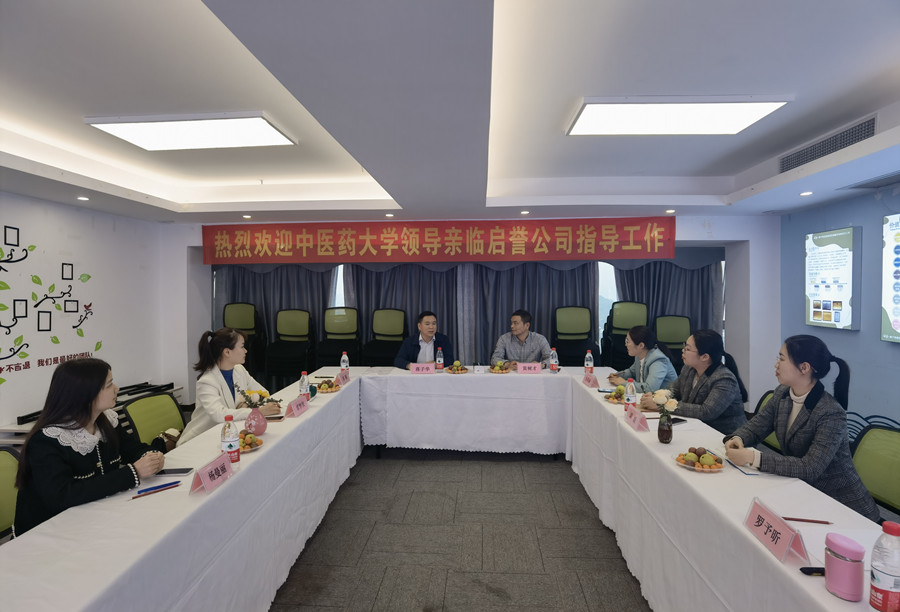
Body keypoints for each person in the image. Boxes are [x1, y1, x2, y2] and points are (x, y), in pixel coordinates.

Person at [724, 335, 880, 522]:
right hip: (803, 492)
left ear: (804, 368)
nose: (776, 365)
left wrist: (753, 457)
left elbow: (810, 467)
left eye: (782, 359)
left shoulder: (830, 412)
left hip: (842, 507)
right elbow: (757, 426)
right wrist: (738, 438)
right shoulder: (782, 393)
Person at [14, 358, 166, 536]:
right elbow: (62, 496)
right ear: (86, 394)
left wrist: (152, 456)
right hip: (49, 532)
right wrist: (133, 472)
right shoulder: (47, 441)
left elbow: (132, 449)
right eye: (109, 385)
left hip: (94, 516)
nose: (116, 388)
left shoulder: (105, 420)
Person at [178, 328, 280, 446]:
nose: (246, 351)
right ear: (227, 352)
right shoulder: (207, 381)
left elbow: (263, 393)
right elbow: (219, 414)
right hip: (199, 440)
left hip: (228, 434)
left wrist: (247, 404)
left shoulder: (239, 370)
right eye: (242, 347)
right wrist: (257, 411)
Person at [641, 329, 747, 434]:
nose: (683, 350)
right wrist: (656, 397)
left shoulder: (724, 379)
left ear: (704, 357)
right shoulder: (689, 369)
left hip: (725, 435)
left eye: (687, 348)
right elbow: (673, 390)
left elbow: (706, 412)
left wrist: (663, 405)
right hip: (696, 427)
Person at [608, 325, 678, 393]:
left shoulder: (658, 360)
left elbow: (649, 388)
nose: (625, 344)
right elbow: (631, 372)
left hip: (666, 399)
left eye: (628, 341)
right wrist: (617, 375)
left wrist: (623, 383)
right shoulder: (639, 355)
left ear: (641, 345)